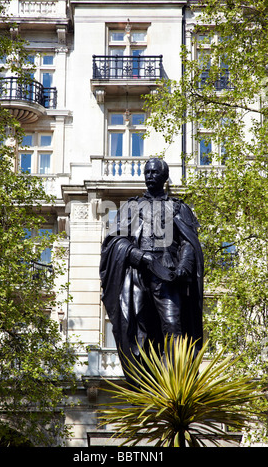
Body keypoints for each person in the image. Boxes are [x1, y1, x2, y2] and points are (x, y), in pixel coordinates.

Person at [99, 158, 204, 384]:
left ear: (164, 177)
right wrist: (139, 256)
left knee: (172, 324)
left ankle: (177, 379)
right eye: (147, 172)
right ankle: (146, 377)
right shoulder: (132, 206)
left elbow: (189, 242)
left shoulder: (179, 207)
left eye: (155, 172)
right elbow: (114, 241)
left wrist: (183, 267)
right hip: (138, 273)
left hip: (167, 273)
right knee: (138, 326)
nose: (150, 176)